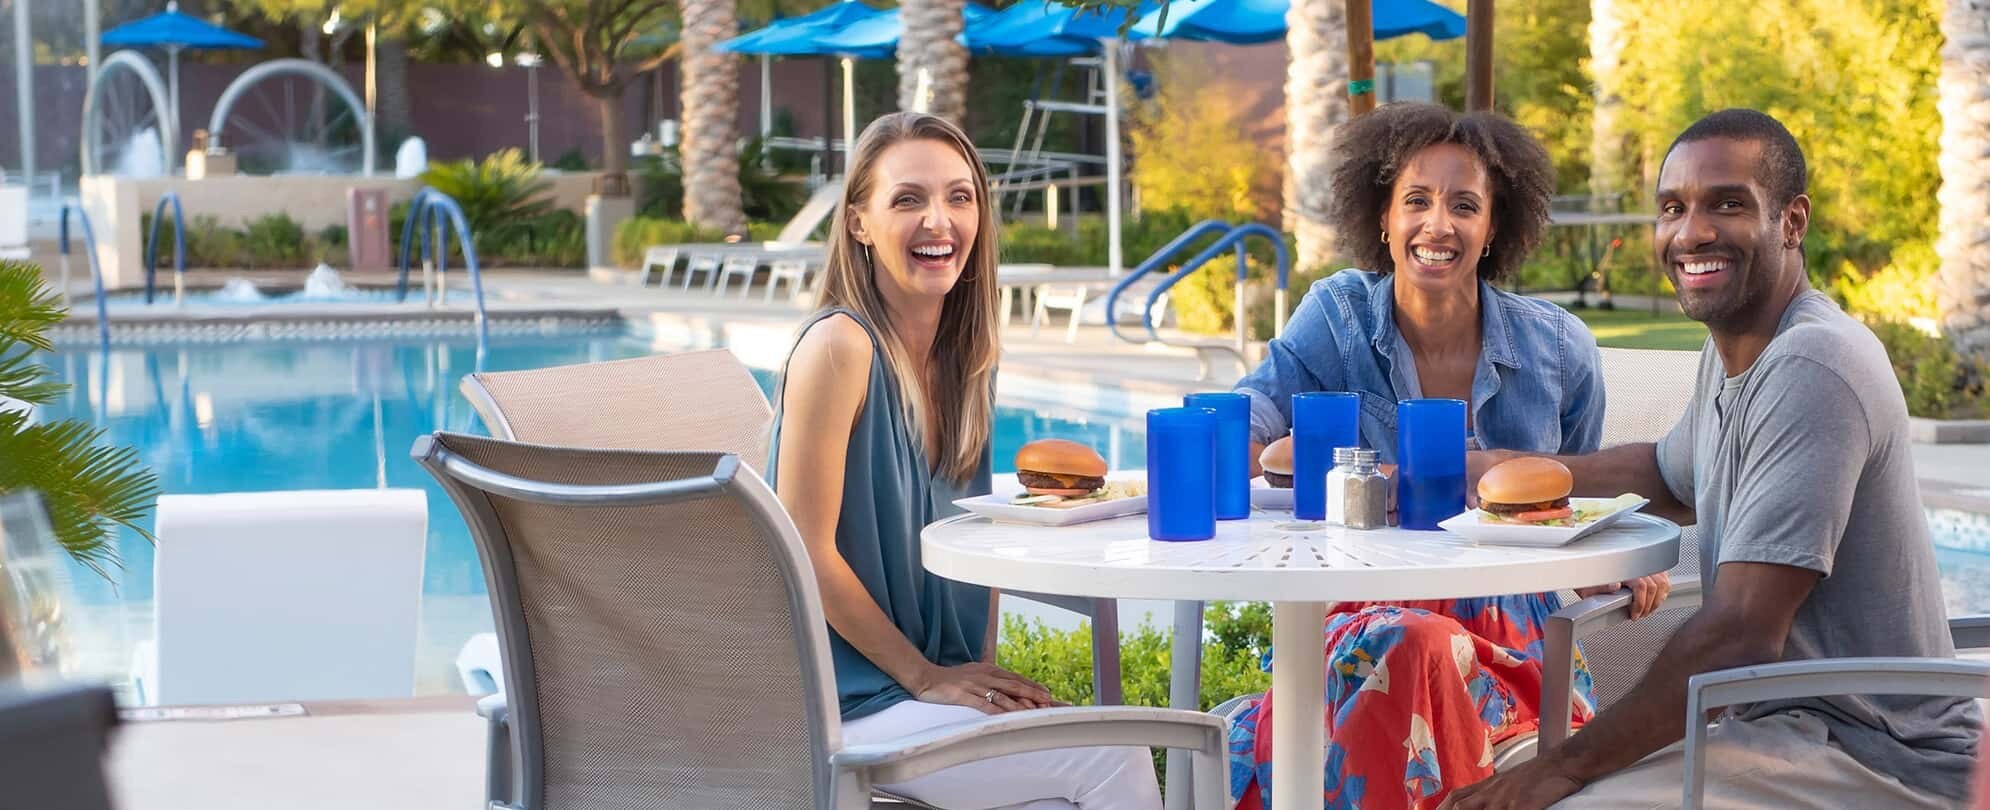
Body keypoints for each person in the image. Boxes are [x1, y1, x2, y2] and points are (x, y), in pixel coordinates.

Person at [1442, 109, 1983, 809]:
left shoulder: (1813, 364)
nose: (1691, 232)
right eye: (1673, 208)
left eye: (1727, 204)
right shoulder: (1736, 353)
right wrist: (1488, 470)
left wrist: (1562, 768)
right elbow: (1666, 476)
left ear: (1792, 221)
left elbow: (1739, 633)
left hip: (1878, 760)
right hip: (1782, 729)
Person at [1225, 102, 1668, 810]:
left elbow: (1572, 509)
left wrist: (1606, 563)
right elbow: (1234, 434)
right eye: (1417, 201)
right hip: (1358, 619)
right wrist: (1285, 460)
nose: (1439, 225)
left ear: (1494, 228)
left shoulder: (1558, 350)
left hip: (1514, 649)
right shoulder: (1336, 319)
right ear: (1382, 217)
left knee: (1415, 646)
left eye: (1465, 205)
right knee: (1408, 641)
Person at [766, 111, 1162, 809]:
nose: (938, 221)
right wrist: (925, 676)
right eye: (907, 199)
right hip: (844, 708)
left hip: (913, 694)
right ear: (858, 221)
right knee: (1111, 755)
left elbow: (966, 537)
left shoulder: (962, 363)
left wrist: (968, 677)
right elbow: (803, 552)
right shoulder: (840, 347)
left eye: (959, 196)